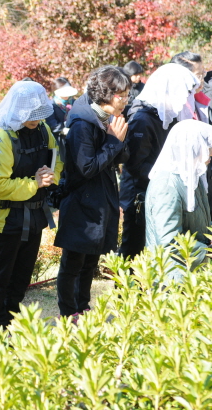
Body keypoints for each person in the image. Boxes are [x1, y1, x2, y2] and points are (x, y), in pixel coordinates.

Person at [0, 81, 63, 327]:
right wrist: (35, 183)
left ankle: (12, 318)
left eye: (39, 114)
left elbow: (57, 160)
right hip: (7, 217)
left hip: (36, 215)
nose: (35, 120)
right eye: (30, 114)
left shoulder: (43, 130)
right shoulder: (1, 137)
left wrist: (51, 176)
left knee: (22, 275)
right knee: (1, 274)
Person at [54, 66, 130, 319]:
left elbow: (120, 157)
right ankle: (68, 312)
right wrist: (113, 141)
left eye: (127, 95)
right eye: (122, 96)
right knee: (74, 261)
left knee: (90, 260)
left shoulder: (107, 117)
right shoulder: (82, 124)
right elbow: (86, 168)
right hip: (81, 201)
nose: (126, 101)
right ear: (106, 95)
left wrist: (118, 141)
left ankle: (83, 306)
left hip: (100, 199)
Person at [118, 63, 200, 260]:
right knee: (134, 249)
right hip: (141, 196)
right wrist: (168, 175)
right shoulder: (143, 119)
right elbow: (135, 165)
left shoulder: (168, 117)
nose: (185, 100)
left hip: (162, 192)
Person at [145, 119, 212, 282]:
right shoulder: (167, 185)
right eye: (207, 148)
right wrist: (207, 252)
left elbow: (202, 222)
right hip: (171, 277)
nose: (210, 154)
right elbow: (169, 242)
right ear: (192, 147)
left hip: (191, 271)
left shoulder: (190, 177)